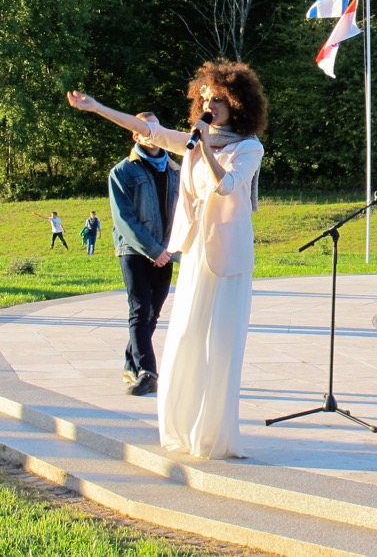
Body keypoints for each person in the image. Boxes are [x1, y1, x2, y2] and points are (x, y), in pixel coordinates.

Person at [66, 59, 267, 459]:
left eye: (218, 99)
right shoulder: (193, 141)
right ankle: (184, 428)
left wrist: (204, 144)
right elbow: (147, 130)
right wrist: (98, 107)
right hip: (194, 254)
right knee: (187, 338)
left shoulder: (248, 147)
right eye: (205, 98)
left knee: (220, 345)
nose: (210, 104)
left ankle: (215, 435)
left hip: (229, 259)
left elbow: (225, 186)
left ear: (237, 103)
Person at [108, 114, 180, 396]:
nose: (151, 133)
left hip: (166, 252)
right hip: (134, 251)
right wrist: (153, 250)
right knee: (139, 309)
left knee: (153, 313)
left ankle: (130, 362)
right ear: (135, 136)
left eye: (157, 127)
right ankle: (147, 372)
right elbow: (124, 220)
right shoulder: (122, 172)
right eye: (143, 129)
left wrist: (169, 250)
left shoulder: (175, 169)